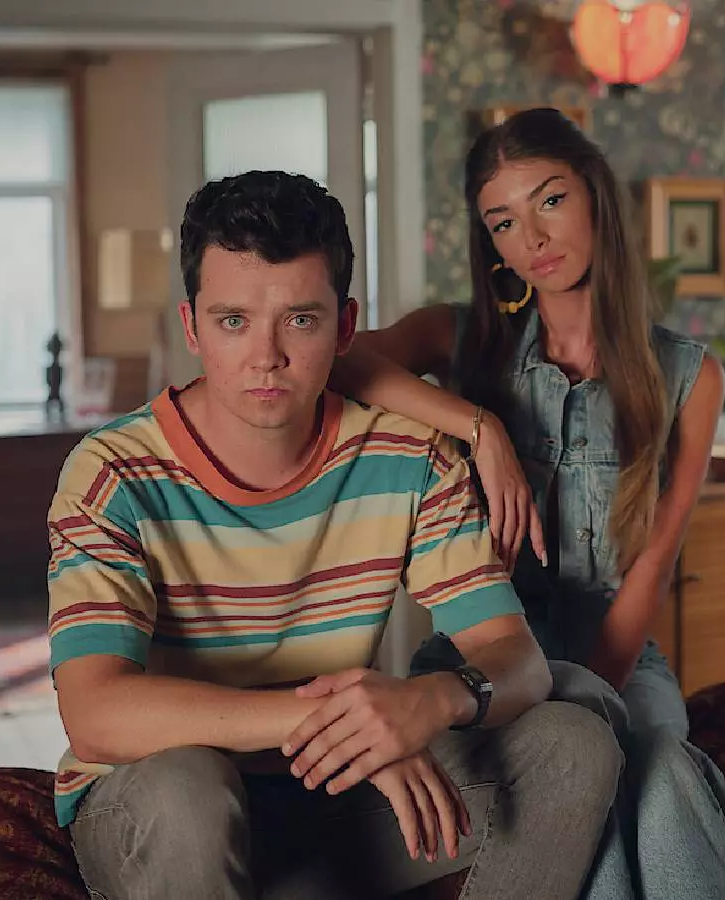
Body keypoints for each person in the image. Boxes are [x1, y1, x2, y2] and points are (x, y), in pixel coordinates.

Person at [46, 170, 623, 900]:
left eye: (300, 320)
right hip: (159, 799)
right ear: (192, 327)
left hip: (333, 797)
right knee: (188, 790)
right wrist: (339, 719)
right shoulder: (110, 473)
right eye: (233, 321)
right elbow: (94, 712)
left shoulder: (410, 457)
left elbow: (518, 662)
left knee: (573, 746)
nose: (266, 356)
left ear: (345, 328)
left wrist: (430, 702)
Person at [328, 108, 725, 900]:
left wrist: (591, 694)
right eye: (503, 221)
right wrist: (479, 426)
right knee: (599, 774)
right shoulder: (459, 341)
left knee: (651, 763)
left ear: (594, 194)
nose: (532, 237)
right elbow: (337, 358)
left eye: (549, 201)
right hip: (483, 654)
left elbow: (653, 564)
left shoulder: (690, 377)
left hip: (619, 652)